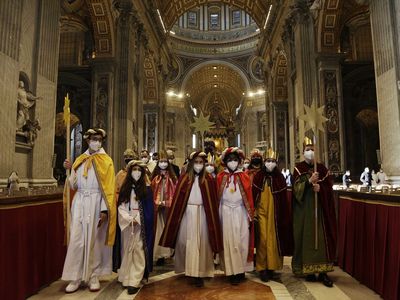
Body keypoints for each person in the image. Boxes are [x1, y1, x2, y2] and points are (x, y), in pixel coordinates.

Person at [62, 128, 116, 293]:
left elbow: (109, 188)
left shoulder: (106, 161)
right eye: (94, 138)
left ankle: (93, 276)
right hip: (80, 202)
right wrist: (69, 170)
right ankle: (76, 277)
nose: (96, 142)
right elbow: (74, 185)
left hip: (96, 201)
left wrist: (105, 210)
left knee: (95, 240)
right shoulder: (80, 159)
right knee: (77, 240)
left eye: (99, 139)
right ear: (87, 140)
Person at [159, 151, 223, 287]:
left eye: (201, 163)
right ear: (192, 163)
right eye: (196, 162)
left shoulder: (209, 180)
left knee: (203, 243)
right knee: (185, 242)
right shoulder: (185, 178)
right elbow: (178, 200)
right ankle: (189, 270)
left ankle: (200, 272)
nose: (198, 165)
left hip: (204, 214)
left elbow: (213, 200)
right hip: (187, 214)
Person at [292, 137, 337, 287]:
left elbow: (329, 191)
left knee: (321, 240)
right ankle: (309, 271)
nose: (310, 152)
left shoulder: (322, 169)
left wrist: (321, 189)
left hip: (320, 214)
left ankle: (323, 272)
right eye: (307, 149)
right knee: (307, 238)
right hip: (305, 212)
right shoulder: (299, 168)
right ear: (303, 151)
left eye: (312, 149)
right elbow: (296, 191)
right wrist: (309, 182)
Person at [252, 149, 293, 282]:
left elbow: (283, 200)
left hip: (275, 215)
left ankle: (272, 267)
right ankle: (262, 268)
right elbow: (253, 195)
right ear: (264, 162)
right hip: (262, 213)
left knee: (273, 240)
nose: (270, 163)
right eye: (268, 161)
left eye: (273, 161)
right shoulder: (258, 176)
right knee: (263, 240)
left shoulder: (279, 177)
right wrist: (254, 211)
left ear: (276, 163)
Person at [217, 147, 254, 285]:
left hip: (240, 211)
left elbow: (248, 196)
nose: (232, 162)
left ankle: (241, 270)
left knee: (241, 241)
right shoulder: (221, 176)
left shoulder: (243, 176)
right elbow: (217, 197)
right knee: (228, 242)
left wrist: (250, 214)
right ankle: (231, 271)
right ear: (225, 162)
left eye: (235, 160)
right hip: (225, 211)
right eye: (229, 160)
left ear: (239, 161)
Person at [117, 160, 154, 295]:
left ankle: (135, 280)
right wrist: (127, 218)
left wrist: (138, 219)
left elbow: (149, 209)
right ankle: (126, 276)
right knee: (127, 249)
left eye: (139, 169)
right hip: (127, 224)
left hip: (140, 224)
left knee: (138, 250)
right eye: (134, 169)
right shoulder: (125, 188)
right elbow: (121, 206)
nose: (136, 172)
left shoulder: (147, 188)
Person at [151, 151, 178, 265]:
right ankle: (158, 254)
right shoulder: (155, 178)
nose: (163, 164)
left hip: (167, 208)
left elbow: (174, 192)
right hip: (157, 209)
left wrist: (166, 203)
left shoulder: (172, 177)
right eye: (161, 161)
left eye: (165, 162)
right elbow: (152, 192)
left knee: (166, 229)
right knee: (158, 231)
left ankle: (167, 253)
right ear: (158, 163)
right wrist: (157, 204)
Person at [114, 148, 138, 272]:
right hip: (125, 213)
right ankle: (124, 268)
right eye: (126, 157)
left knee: (138, 247)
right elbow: (117, 192)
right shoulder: (120, 175)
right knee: (125, 244)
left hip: (138, 217)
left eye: (131, 156)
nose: (128, 158)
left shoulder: (141, 176)